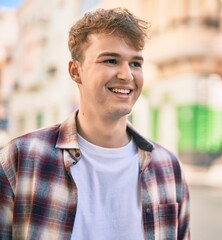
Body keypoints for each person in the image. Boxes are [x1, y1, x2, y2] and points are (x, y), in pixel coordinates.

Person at [0, 7, 190, 240]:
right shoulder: (20, 159)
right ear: (75, 71)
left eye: (135, 64)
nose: (127, 75)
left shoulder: (168, 168)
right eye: (111, 60)